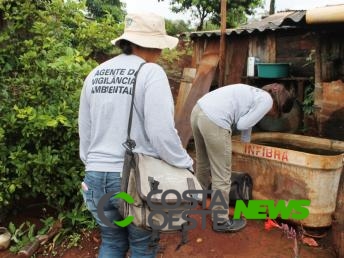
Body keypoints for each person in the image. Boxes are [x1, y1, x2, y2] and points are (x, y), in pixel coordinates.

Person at [78, 12, 193, 258]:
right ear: (151, 44)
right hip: (133, 181)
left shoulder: (95, 74)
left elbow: (85, 130)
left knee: (111, 243)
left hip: (95, 177)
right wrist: (185, 164)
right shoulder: (150, 73)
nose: (162, 52)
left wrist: (94, 165)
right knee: (143, 246)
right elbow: (161, 133)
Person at [190, 83, 295, 233]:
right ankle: (220, 220)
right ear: (278, 106)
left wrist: (246, 143)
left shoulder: (257, 93)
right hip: (215, 120)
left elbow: (246, 120)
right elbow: (243, 123)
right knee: (222, 175)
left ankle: (196, 199)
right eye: (275, 114)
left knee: (203, 163)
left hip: (198, 110)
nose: (270, 116)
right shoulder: (267, 102)